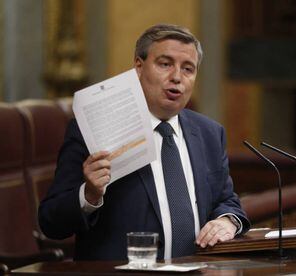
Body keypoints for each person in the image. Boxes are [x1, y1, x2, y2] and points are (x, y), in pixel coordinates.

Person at [38, 24, 250, 261]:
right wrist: (89, 195)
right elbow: (50, 221)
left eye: (188, 69)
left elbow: (226, 200)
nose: (177, 77)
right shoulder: (93, 130)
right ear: (139, 67)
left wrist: (228, 221)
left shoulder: (210, 133)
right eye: (165, 64)